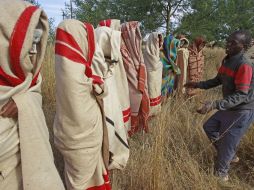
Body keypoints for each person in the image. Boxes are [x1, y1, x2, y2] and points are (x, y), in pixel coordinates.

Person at [0, 1, 64, 189]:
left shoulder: (30, 78)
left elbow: (34, 94)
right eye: (29, 41)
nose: (34, 51)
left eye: (37, 42)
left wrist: (24, 101)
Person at [185, 30, 254, 181]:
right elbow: (218, 80)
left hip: (242, 110)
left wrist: (214, 104)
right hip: (230, 106)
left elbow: (241, 95)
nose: (228, 44)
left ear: (243, 46)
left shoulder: (244, 65)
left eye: (233, 43)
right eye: (228, 40)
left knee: (228, 142)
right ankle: (229, 155)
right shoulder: (227, 59)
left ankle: (221, 176)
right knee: (209, 127)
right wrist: (198, 84)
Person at [54, 19, 110, 189]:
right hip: (84, 135)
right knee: (81, 181)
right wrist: (100, 84)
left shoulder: (62, 65)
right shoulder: (82, 78)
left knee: (74, 176)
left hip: (66, 132)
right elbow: (99, 88)